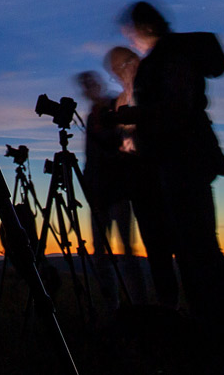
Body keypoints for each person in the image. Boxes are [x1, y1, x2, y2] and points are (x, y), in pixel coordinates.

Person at [118, 1, 224, 351]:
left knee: (197, 248)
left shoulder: (170, 56)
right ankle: (212, 326)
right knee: (193, 248)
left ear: (143, 26)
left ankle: (221, 331)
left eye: (130, 30)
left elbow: (176, 106)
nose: (129, 36)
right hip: (180, 161)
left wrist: (134, 115)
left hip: (182, 161)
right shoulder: (170, 55)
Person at [104, 46, 178, 309]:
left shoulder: (153, 89)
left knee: (179, 245)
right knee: (156, 250)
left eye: (123, 66)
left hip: (162, 175)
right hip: (137, 181)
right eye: (115, 71)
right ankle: (168, 308)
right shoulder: (121, 99)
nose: (121, 73)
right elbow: (121, 139)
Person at [76, 70, 147, 309]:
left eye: (90, 84)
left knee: (127, 254)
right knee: (100, 255)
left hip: (118, 190)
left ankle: (139, 306)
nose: (88, 89)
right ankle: (112, 308)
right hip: (98, 194)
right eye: (85, 86)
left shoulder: (117, 106)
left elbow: (129, 143)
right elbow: (90, 157)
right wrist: (89, 188)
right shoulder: (92, 116)